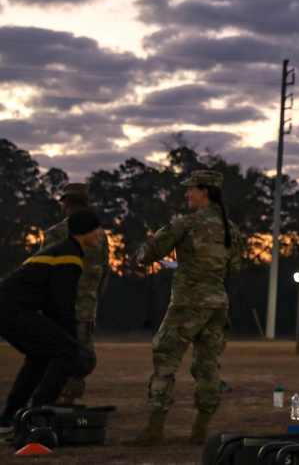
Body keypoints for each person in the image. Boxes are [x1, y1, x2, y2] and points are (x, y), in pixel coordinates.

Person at [127, 170, 244, 447]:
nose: (186, 193)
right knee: (208, 366)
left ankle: (155, 429)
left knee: (164, 360)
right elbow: (234, 269)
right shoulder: (231, 228)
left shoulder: (186, 224)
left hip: (187, 303)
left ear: (204, 191)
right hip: (217, 304)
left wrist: (158, 239)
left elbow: (146, 255)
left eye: (190, 188)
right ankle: (200, 430)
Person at [0, 209, 103, 434]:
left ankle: (9, 419)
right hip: (11, 310)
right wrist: (73, 342)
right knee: (65, 351)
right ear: (85, 231)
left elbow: (50, 302)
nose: (100, 234)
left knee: (40, 356)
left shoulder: (62, 250)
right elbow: (61, 302)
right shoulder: (69, 256)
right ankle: (38, 416)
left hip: (8, 309)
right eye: (96, 228)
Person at [40, 183, 111, 404]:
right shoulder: (100, 235)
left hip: (58, 307)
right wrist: (92, 298)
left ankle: (52, 401)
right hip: (86, 307)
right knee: (79, 353)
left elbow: (41, 271)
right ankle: (70, 398)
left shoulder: (56, 233)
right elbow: (104, 272)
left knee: (55, 353)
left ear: (67, 203)